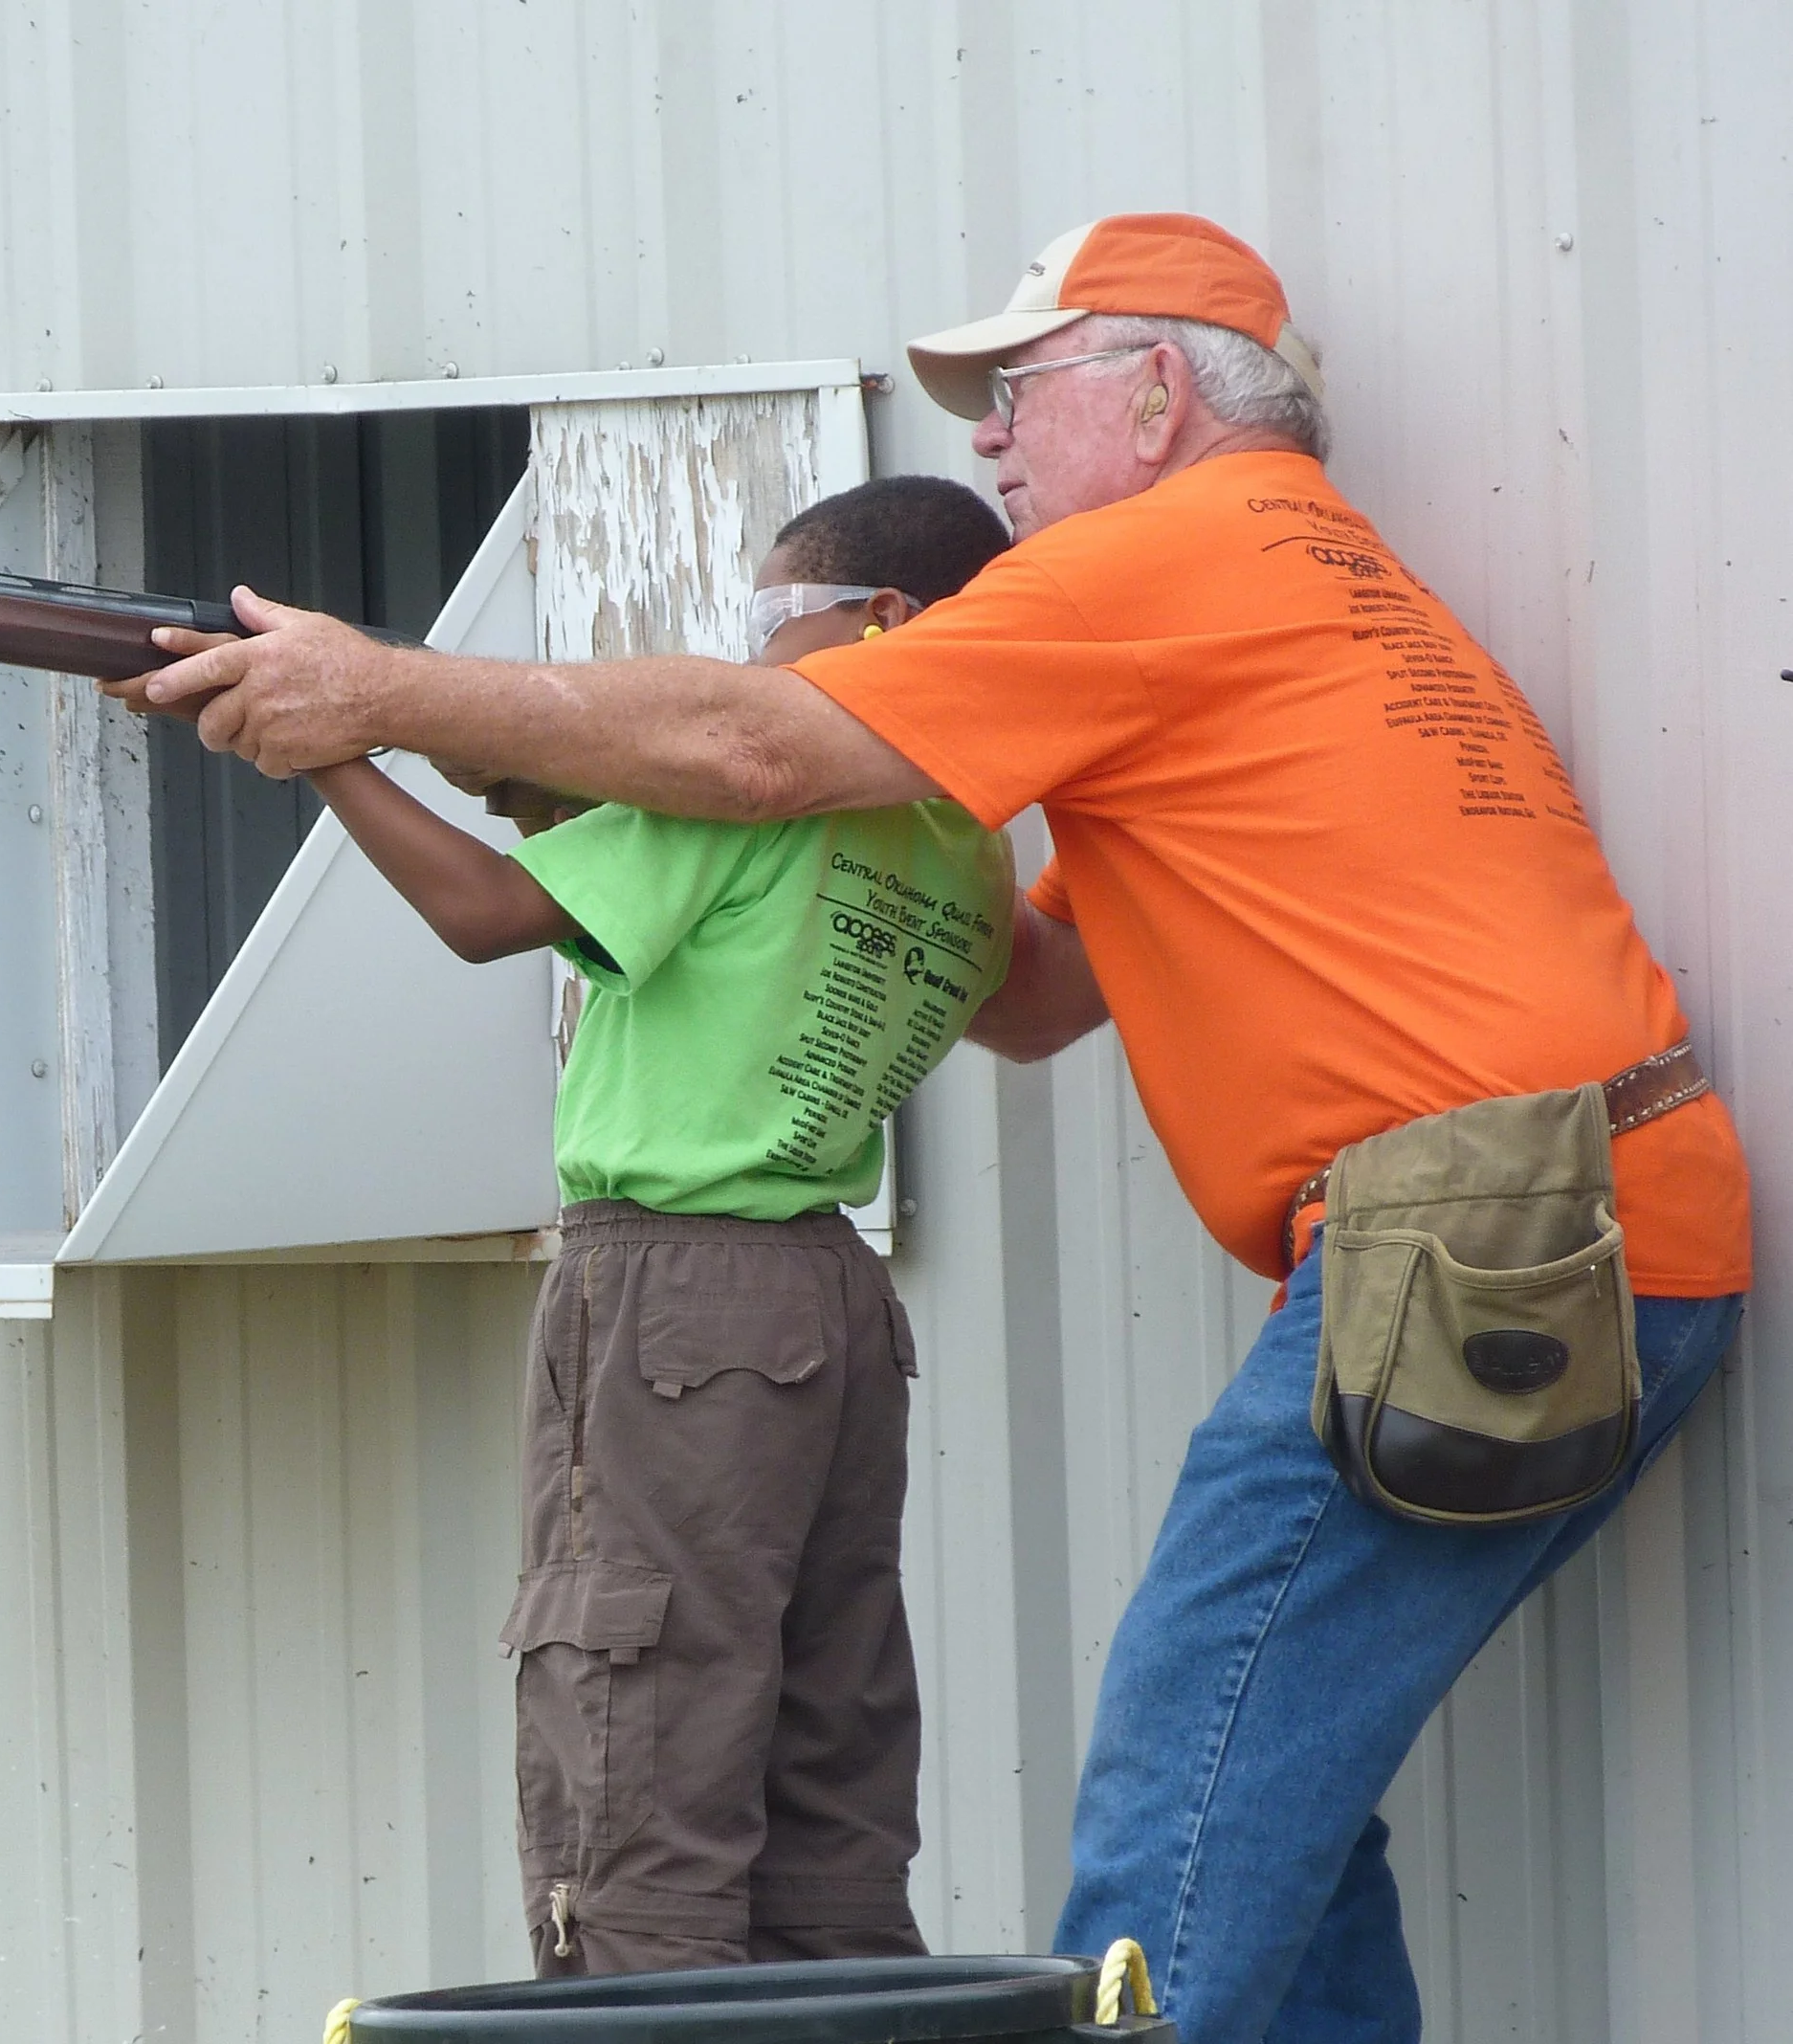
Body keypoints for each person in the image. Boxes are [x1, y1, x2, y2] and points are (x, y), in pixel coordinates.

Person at [110, 213, 1751, 2043]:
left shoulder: (1163, 556)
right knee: (1273, 1798)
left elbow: (759, 752)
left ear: (1152, 398)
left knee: (1174, 1791)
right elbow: (1035, 999)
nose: (986, 443)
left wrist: (389, 696)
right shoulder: (1307, 577)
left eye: (1020, 392)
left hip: (1474, 1244)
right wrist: (699, 800)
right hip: (1593, 1224)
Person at [281, 475, 1014, 1976]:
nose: (741, 669)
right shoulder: (970, 844)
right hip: (832, 1297)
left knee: (638, 1739)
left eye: (766, 622)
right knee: (827, 1752)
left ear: (883, 621)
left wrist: (328, 755)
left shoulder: (750, 788)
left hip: (672, 1291)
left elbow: (483, 913)